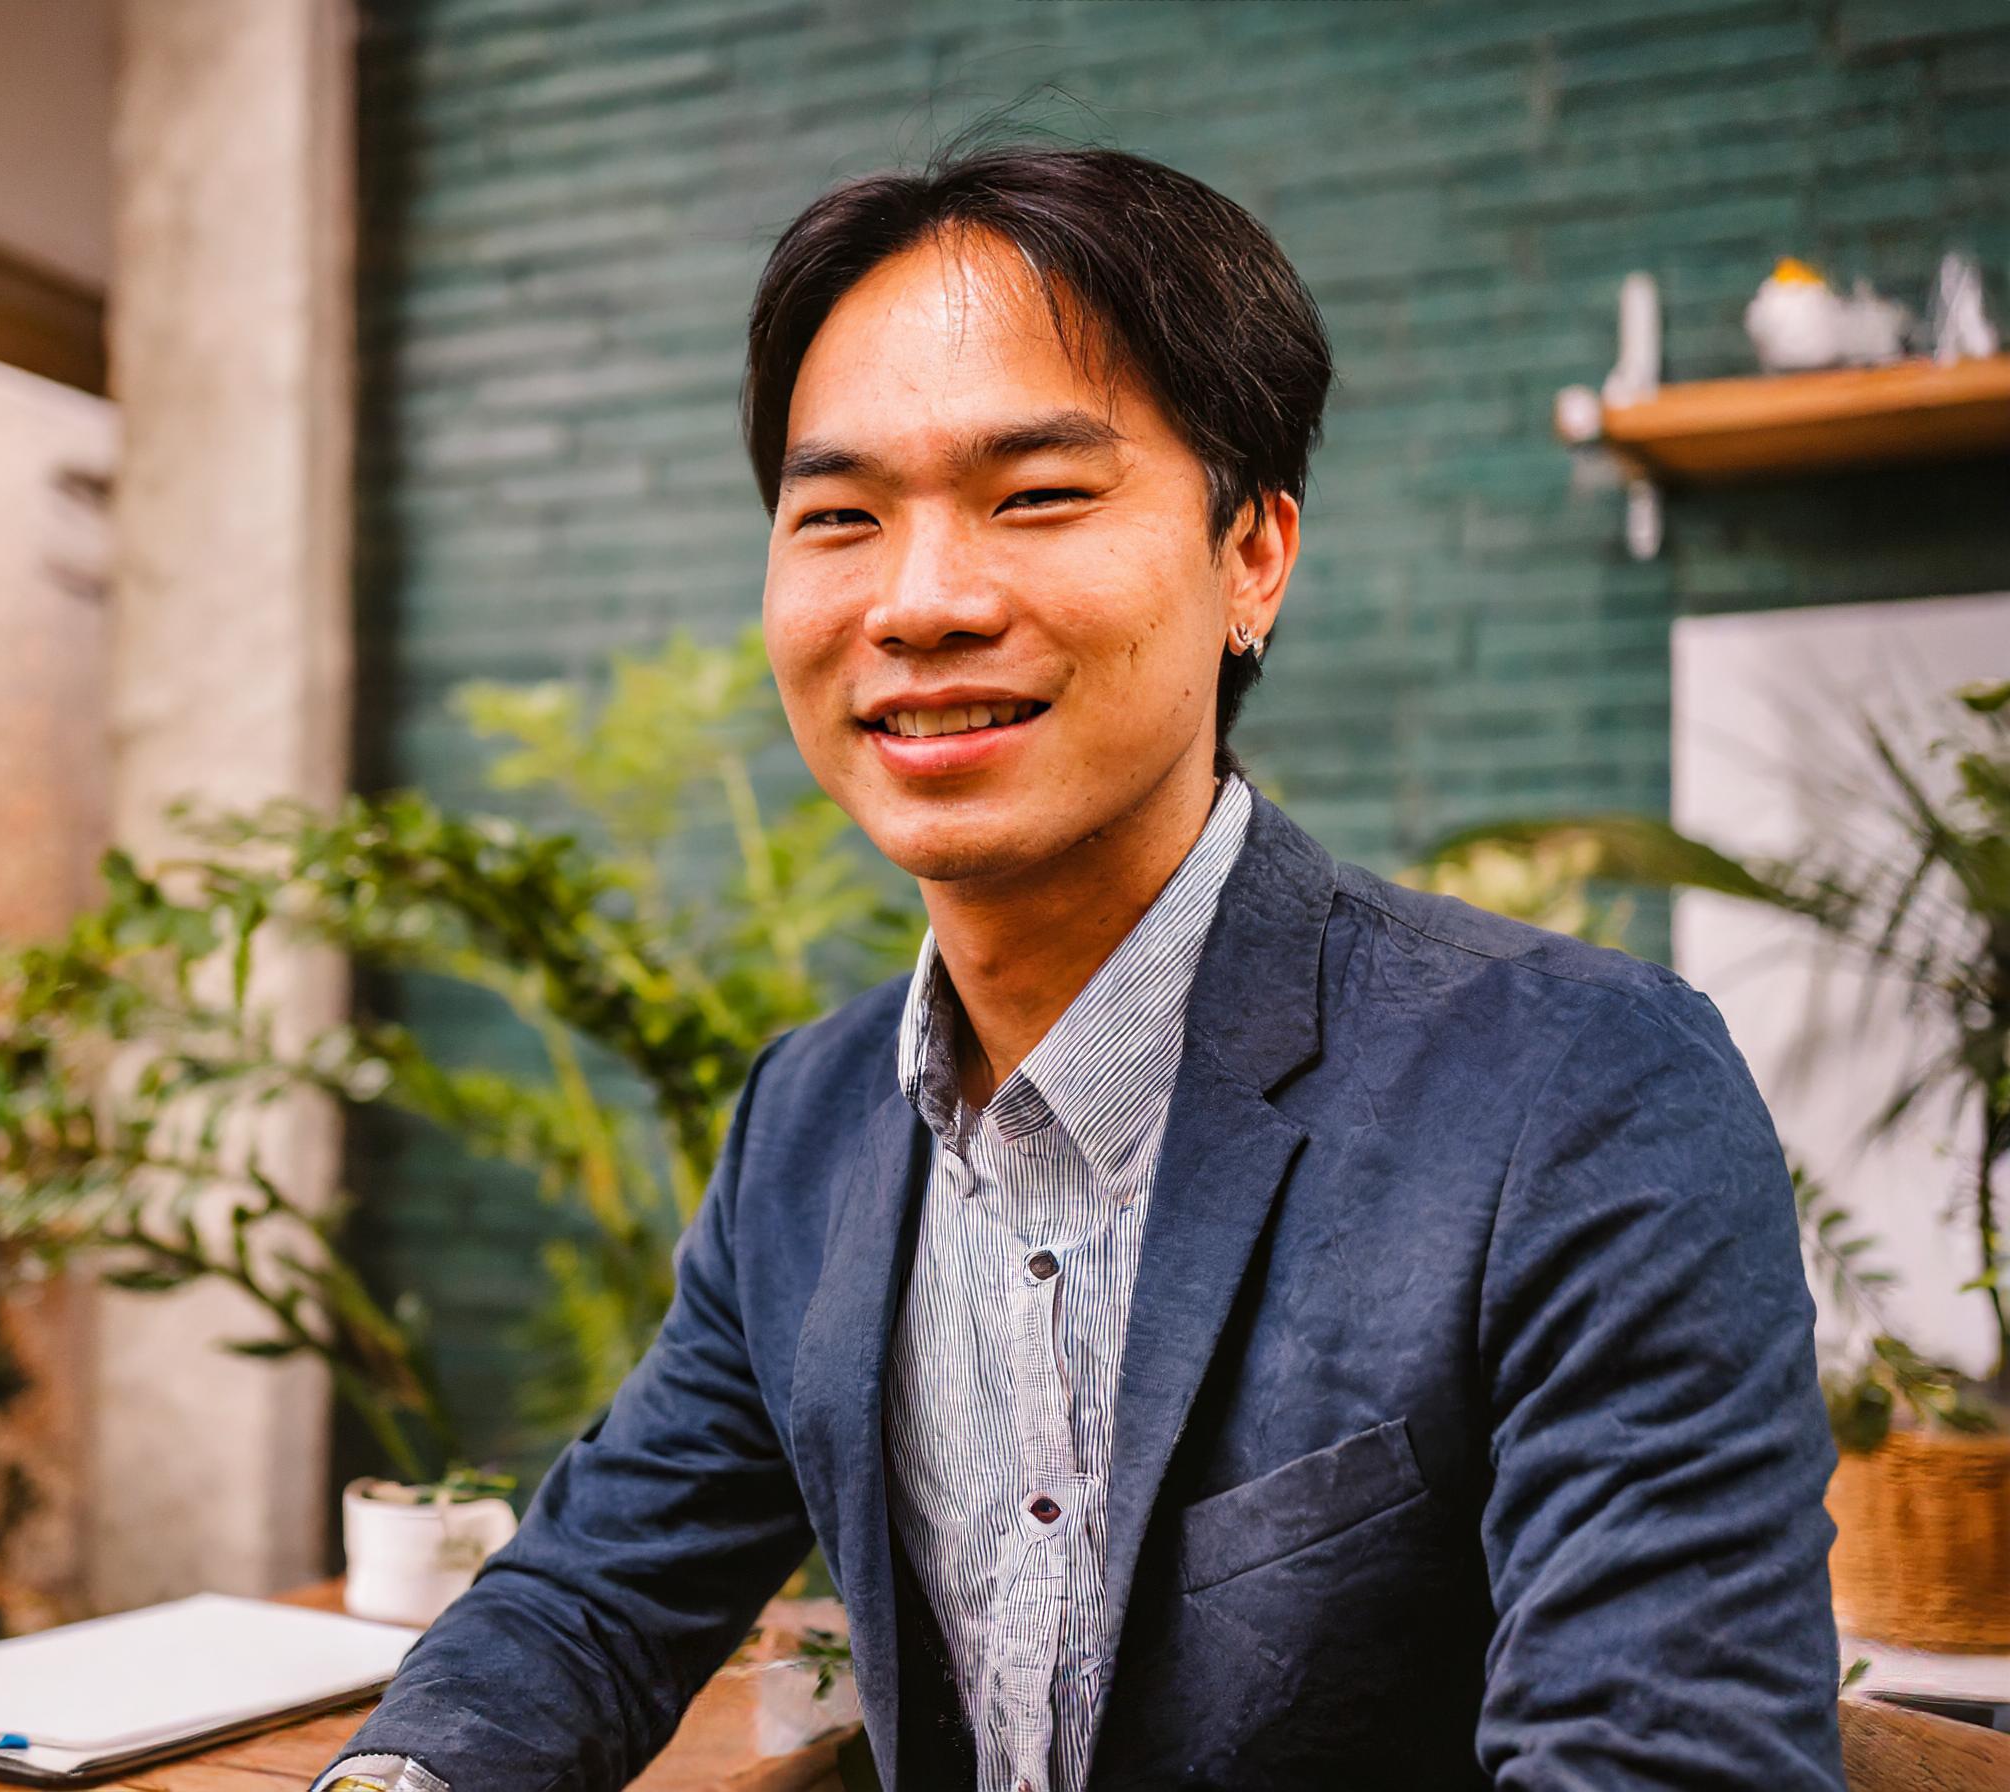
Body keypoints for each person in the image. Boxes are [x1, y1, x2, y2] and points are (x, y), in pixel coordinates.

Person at [312, 141, 1846, 1792]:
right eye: (840, 517)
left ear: (1252, 555)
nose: (919, 603)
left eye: (1037, 496)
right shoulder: (811, 1126)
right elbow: (591, 1600)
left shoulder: (1576, 1094)